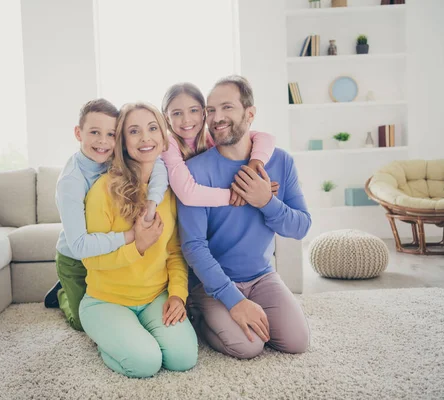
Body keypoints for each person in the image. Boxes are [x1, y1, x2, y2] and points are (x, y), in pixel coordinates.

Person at [177, 75, 311, 359]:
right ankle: (199, 314)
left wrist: (266, 202)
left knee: (296, 342)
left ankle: (238, 311)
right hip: (211, 283)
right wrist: (234, 301)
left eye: (227, 108)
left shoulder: (281, 161)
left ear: (250, 114)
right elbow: (193, 246)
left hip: (262, 277)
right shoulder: (194, 171)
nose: (217, 117)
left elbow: (301, 226)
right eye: (211, 110)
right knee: (248, 347)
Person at [79, 102, 198, 378]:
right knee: (146, 363)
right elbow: (90, 259)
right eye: (134, 131)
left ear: (163, 134)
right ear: (122, 141)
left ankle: (132, 333)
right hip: (106, 300)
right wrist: (138, 247)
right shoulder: (103, 190)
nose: (146, 138)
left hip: (155, 296)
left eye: (153, 128)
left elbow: (174, 251)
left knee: (183, 358)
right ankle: (107, 336)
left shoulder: (167, 191)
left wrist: (178, 295)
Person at [43, 99, 169, 332]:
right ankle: (62, 294)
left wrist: (152, 202)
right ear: (78, 133)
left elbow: (157, 162)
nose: (103, 141)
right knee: (83, 322)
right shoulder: (71, 182)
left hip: (109, 251)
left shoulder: (114, 156)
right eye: (94, 132)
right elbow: (80, 245)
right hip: (76, 258)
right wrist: (132, 235)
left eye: (111, 134)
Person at [161, 82, 279, 207]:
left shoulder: (211, 137)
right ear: (167, 118)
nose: (186, 120)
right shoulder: (167, 145)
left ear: (203, 113)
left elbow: (265, 138)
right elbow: (188, 194)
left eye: (193, 110)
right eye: (177, 113)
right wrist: (244, 193)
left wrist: (254, 169)